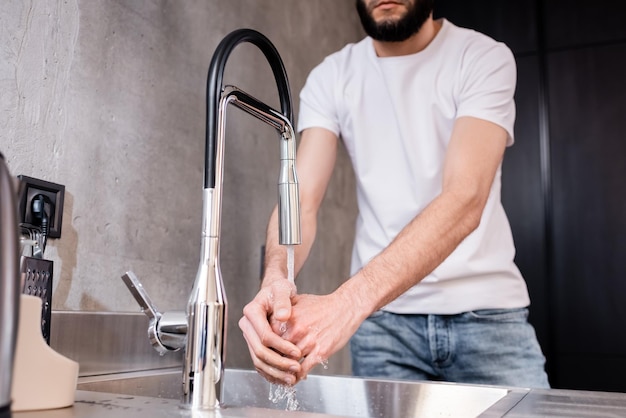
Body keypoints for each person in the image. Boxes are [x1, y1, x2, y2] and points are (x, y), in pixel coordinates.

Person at [239, 0, 550, 389]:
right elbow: (300, 202)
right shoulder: (332, 76)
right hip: (385, 329)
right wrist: (275, 276)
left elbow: (465, 199)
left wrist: (349, 302)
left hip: (487, 316)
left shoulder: (482, 57)